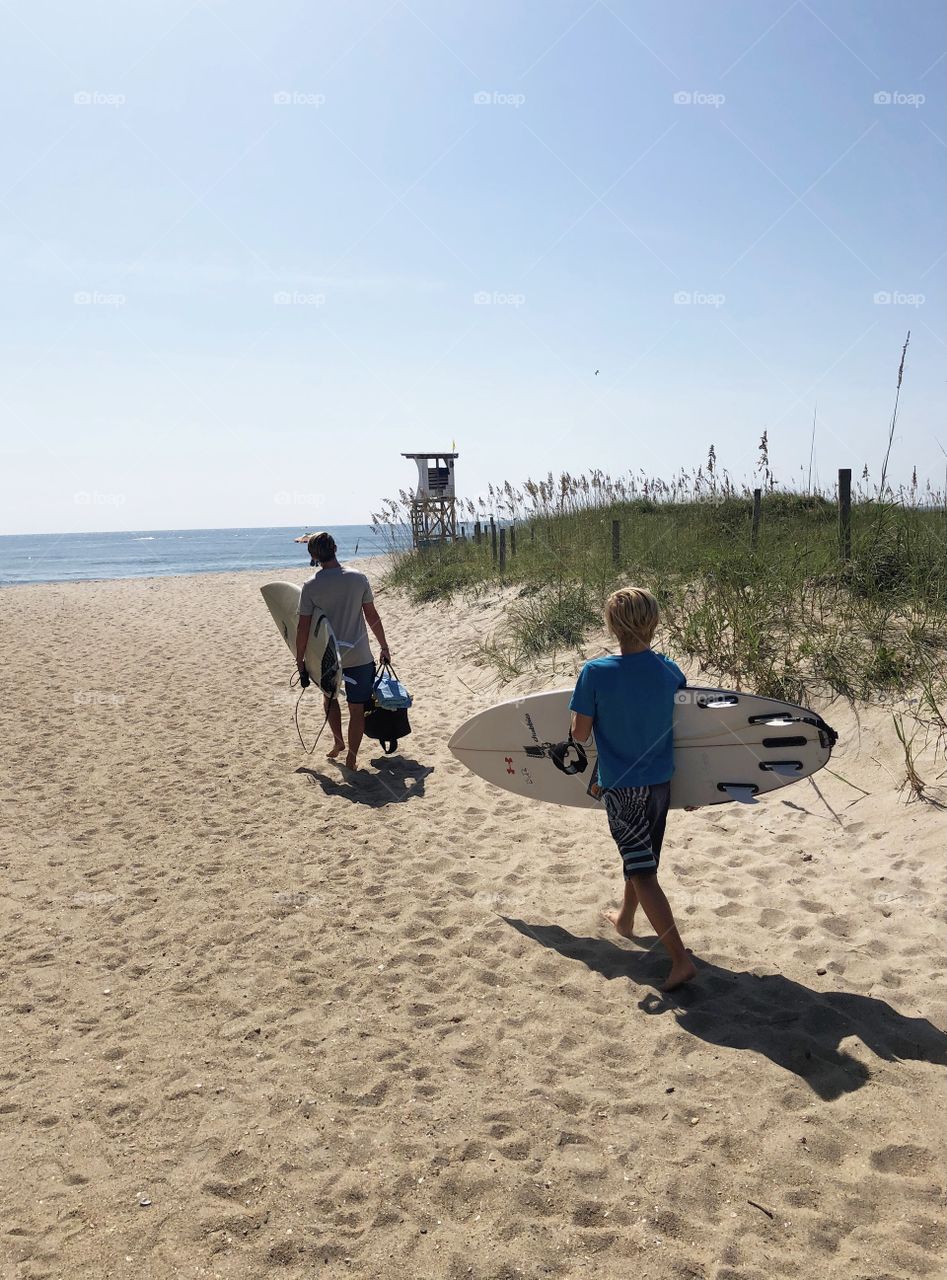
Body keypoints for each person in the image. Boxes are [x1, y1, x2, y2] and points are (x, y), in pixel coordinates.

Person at [569, 586, 696, 991]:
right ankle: (625, 918)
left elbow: (581, 734)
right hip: (661, 784)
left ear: (611, 626)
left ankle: (680, 960)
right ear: (655, 623)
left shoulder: (595, 673)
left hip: (623, 788)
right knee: (642, 857)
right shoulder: (669, 670)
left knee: (642, 871)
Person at [295, 532, 391, 771]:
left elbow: (303, 627)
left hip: (328, 659)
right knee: (357, 708)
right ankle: (352, 754)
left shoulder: (310, 587)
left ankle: (339, 742)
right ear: (335, 548)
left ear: (313, 555)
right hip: (359, 655)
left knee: (329, 698)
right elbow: (372, 616)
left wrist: (300, 660)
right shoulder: (358, 579)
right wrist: (384, 646)